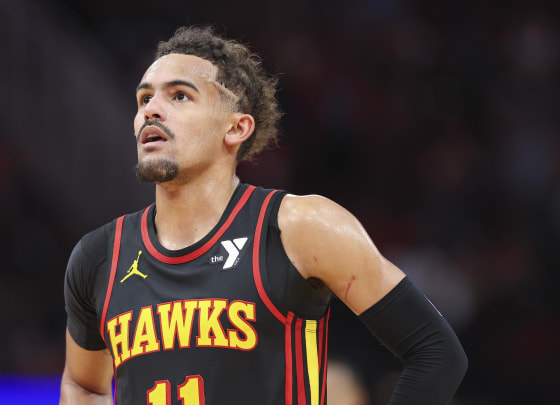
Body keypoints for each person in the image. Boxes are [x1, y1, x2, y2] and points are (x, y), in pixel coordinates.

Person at [60, 26, 467, 405]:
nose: (151, 110)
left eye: (179, 96)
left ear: (236, 128)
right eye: (144, 98)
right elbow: (83, 385)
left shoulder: (300, 227)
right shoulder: (99, 257)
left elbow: (436, 353)